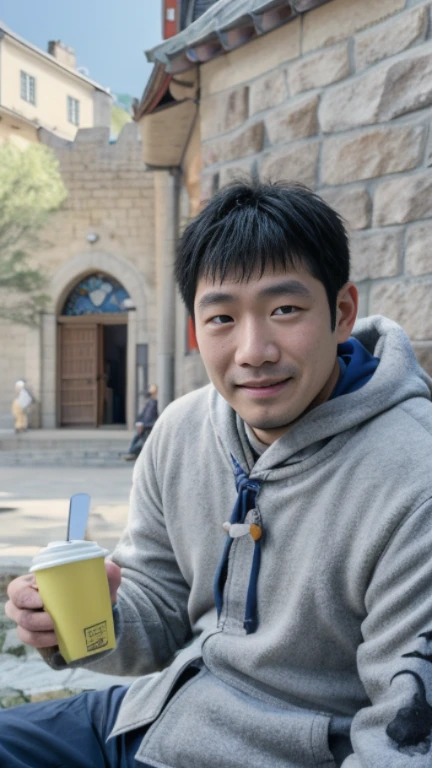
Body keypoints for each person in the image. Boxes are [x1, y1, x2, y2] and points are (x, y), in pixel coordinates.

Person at [3, 180, 432, 768]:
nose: (253, 350)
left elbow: (402, 741)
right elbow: (156, 612)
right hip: (156, 720)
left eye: (284, 309)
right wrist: (83, 622)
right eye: (222, 317)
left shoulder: (415, 478)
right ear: (195, 330)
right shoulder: (180, 429)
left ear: (342, 313)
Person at [120, 384, 159, 460]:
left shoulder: (152, 403)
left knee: (140, 440)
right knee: (138, 439)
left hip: (147, 425)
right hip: (146, 424)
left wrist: (142, 424)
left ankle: (132, 453)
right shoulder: (150, 402)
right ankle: (131, 452)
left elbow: (149, 415)